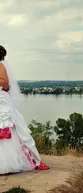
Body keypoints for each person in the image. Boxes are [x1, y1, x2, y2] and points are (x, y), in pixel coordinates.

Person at [0, 45, 49, 174]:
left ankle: (14, 162)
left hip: (1, 100)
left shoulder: (0, 66)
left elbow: (5, 82)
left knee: (10, 126)